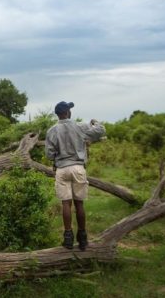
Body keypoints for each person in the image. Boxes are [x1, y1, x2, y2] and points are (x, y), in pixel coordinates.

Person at [45, 101, 105, 251]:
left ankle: (68, 239)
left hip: (62, 169)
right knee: (79, 204)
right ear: (68, 112)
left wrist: (59, 154)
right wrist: (94, 122)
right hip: (78, 168)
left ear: (58, 114)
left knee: (66, 204)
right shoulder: (80, 126)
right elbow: (100, 130)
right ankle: (83, 239)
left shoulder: (52, 130)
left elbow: (49, 154)